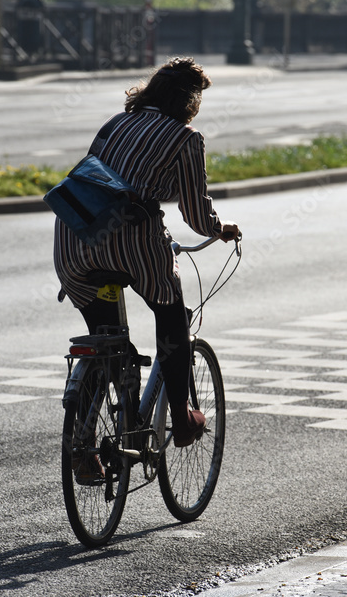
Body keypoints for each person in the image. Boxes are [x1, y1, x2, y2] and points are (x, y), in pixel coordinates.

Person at [53, 57, 240, 448]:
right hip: (131, 240)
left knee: (104, 338)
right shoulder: (186, 138)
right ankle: (182, 418)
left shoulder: (114, 124)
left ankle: (84, 445)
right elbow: (194, 210)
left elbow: (101, 177)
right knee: (171, 317)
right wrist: (218, 229)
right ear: (189, 102)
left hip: (74, 239)